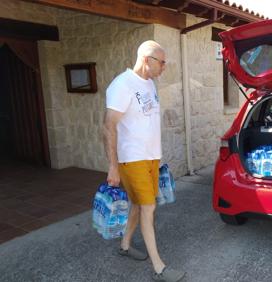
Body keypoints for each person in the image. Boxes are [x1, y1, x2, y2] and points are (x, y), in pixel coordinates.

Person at [103, 40, 185, 282]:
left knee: (140, 204)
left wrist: (157, 156)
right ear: (147, 60)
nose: (164, 67)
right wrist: (113, 166)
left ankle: (125, 245)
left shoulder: (149, 84)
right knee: (148, 207)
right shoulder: (122, 85)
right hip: (132, 158)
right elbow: (109, 126)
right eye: (162, 62)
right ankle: (159, 268)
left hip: (150, 158)